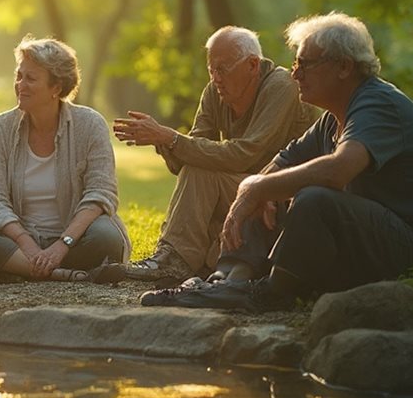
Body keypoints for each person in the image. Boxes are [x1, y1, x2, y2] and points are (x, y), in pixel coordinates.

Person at [140, 12, 413, 312]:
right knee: (275, 187)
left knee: (312, 197)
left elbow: (337, 171)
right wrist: (256, 189)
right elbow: (284, 160)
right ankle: (223, 281)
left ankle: (268, 292)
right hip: (374, 243)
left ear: (344, 67)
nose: (295, 73)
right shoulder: (332, 119)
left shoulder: (378, 103)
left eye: (305, 64)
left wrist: (258, 187)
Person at [113, 26, 314, 286]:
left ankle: (178, 260)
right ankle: (175, 258)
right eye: (211, 69)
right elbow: (187, 161)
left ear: (253, 65)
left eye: (223, 69)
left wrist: (172, 139)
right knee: (198, 171)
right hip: (241, 191)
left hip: (276, 196)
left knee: (202, 173)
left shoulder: (281, 86)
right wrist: (162, 142)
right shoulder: (214, 92)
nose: (216, 78)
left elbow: (244, 154)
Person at [0, 36, 130, 283]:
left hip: (75, 239)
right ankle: (61, 274)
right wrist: (25, 242)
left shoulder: (90, 124)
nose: (20, 85)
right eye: (19, 76)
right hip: (17, 240)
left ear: (56, 88)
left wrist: (62, 245)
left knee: (106, 238)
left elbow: (101, 194)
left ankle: (16, 267)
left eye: (31, 79)